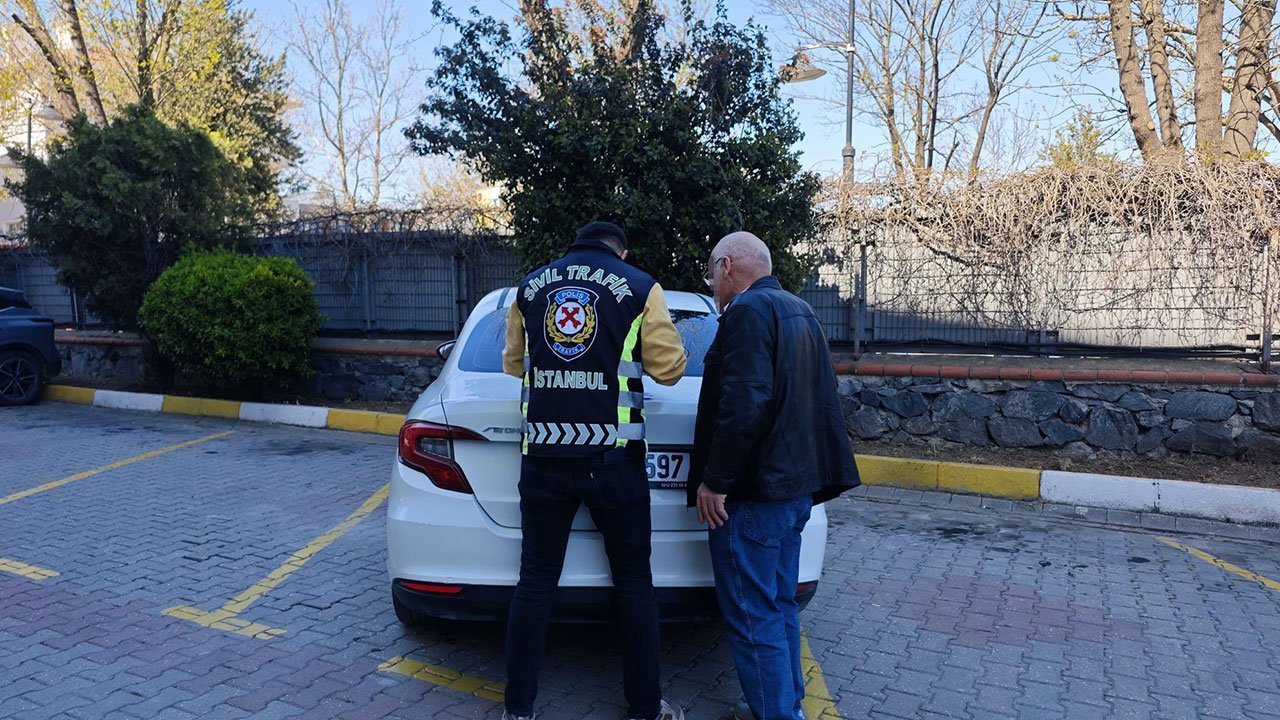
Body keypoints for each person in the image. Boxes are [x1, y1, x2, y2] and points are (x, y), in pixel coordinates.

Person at [501, 221, 688, 720]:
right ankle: (645, 708)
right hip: (613, 461)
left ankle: (517, 710)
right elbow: (670, 369)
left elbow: (513, 365)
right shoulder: (641, 287)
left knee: (535, 582)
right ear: (620, 252)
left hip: (542, 457)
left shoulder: (530, 287)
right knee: (634, 584)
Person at [688, 232, 860, 720]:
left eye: (711, 272)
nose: (712, 284)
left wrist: (715, 481)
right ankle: (788, 705)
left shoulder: (746, 311)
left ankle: (778, 713)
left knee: (752, 613)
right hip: (793, 491)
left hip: (755, 495)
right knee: (779, 604)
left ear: (726, 266)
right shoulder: (799, 309)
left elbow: (745, 403)